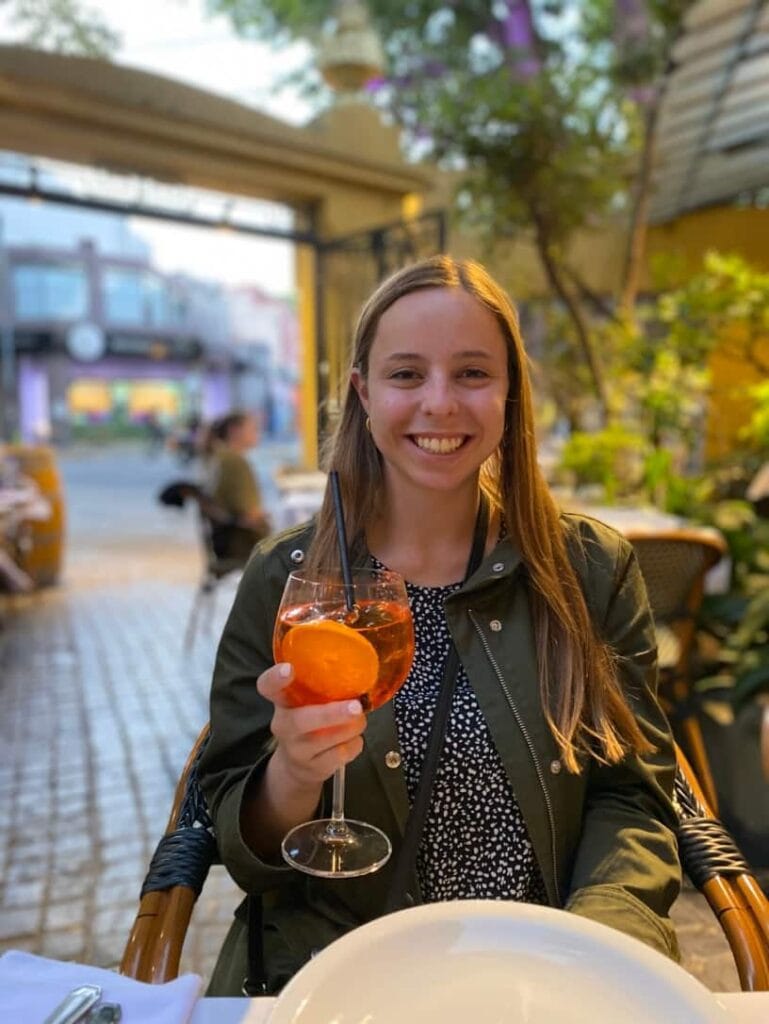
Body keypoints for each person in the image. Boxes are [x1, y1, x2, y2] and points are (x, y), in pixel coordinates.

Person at [198, 257, 681, 995]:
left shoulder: (589, 570)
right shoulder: (285, 580)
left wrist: (593, 955)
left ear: (510, 394)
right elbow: (234, 830)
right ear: (362, 393)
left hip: (539, 975)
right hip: (337, 976)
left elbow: (632, 797)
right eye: (404, 375)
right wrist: (291, 776)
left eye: (471, 374)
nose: (439, 403)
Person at [202, 411, 270, 561]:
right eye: (253, 428)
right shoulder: (235, 462)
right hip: (241, 544)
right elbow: (251, 514)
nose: (257, 433)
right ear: (235, 430)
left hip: (225, 540)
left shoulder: (221, 456)